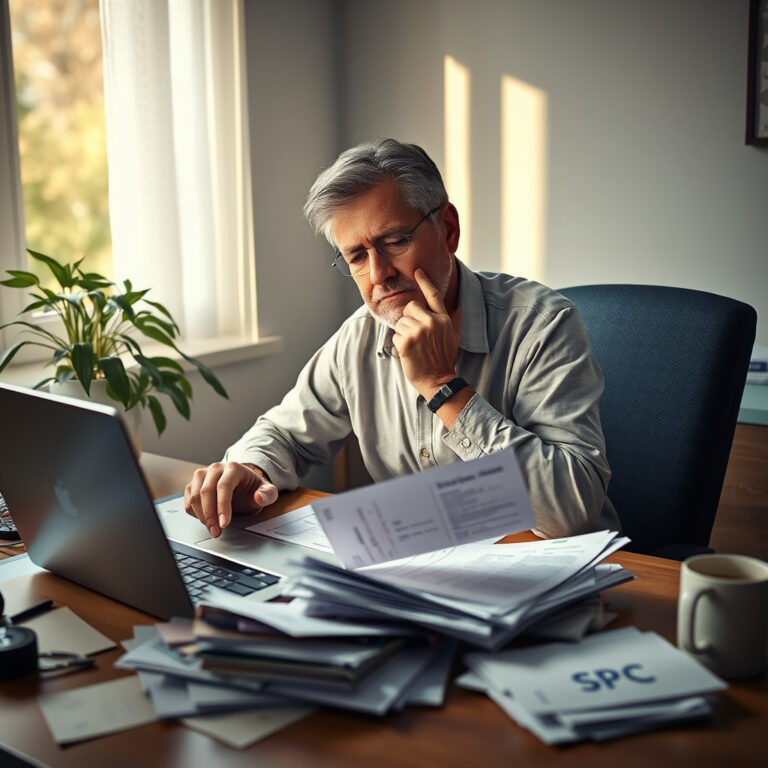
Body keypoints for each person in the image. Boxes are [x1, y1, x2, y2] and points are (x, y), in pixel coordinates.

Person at [184, 138, 619, 540]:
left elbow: (569, 511)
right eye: (357, 256)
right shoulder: (360, 336)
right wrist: (248, 468)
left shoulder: (543, 325)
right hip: (424, 567)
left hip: (552, 570)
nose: (378, 275)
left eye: (394, 241)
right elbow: (286, 433)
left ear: (447, 228)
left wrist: (442, 386)